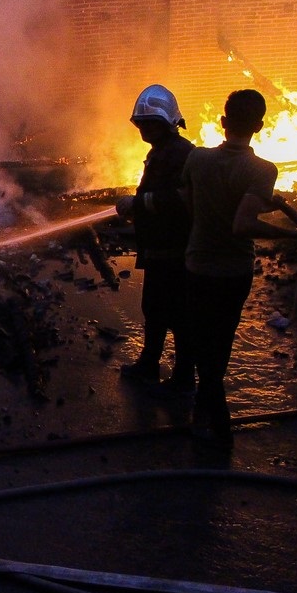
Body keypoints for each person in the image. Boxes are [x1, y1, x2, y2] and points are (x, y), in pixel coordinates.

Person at [181, 89, 297, 450]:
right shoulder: (262, 170)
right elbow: (242, 224)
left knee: (202, 341)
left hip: (197, 264)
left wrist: (205, 228)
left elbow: (189, 203)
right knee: (220, 342)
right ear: (260, 126)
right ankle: (218, 423)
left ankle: (201, 410)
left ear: (223, 122)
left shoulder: (196, 159)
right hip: (232, 272)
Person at [116, 84, 196, 395]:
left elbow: (178, 200)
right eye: (141, 123)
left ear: (166, 122)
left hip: (173, 251)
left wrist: (137, 204)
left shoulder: (179, 154)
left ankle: (183, 378)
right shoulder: (164, 151)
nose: (143, 129)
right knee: (155, 309)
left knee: (177, 315)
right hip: (161, 247)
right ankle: (149, 364)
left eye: (150, 123)